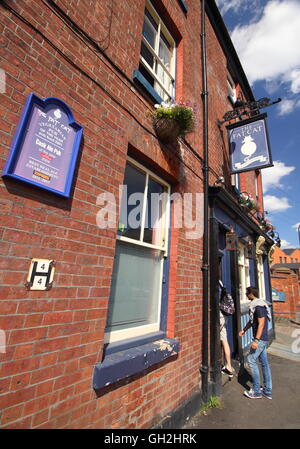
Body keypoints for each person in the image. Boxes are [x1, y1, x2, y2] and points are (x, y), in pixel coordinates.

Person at [239, 286, 272, 399]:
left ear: (251, 294)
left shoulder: (258, 306)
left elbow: (261, 323)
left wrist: (256, 341)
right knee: (264, 363)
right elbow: (252, 321)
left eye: (246, 293)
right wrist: (244, 330)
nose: (245, 294)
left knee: (251, 360)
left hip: (260, 339)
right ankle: (267, 390)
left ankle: (256, 391)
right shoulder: (256, 304)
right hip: (262, 339)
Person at [219, 280, 234, 378]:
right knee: (224, 340)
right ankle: (229, 366)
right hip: (225, 315)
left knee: (215, 336)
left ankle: (218, 365)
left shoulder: (215, 283)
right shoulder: (221, 283)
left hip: (220, 314)